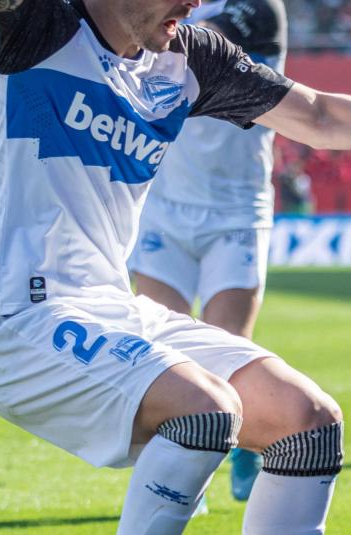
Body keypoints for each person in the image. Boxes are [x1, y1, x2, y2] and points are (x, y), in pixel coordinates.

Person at [0, 1, 351, 533]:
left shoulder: (190, 57)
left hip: (113, 307)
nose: (196, 3)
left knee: (309, 423)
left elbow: (317, 115)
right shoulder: (39, 23)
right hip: (22, 318)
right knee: (206, 410)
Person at [125, 0, 286, 503]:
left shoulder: (259, 8)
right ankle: (172, 488)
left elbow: (189, 41)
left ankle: (247, 446)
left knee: (225, 349)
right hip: (163, 205)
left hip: (235, 209)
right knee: (161, 356)